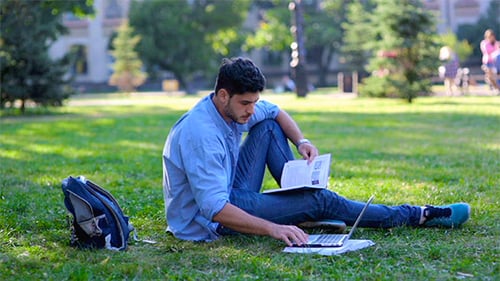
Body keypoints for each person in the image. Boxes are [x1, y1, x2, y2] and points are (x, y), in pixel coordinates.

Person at [162, 57, 470, 246]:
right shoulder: (200, 133)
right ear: (223, 94)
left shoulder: (231, 107)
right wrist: (274, 229)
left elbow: (275, 111)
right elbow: (214, 209)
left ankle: (300, 199)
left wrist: (302, 142)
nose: (251, 110)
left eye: (254, 102)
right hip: (213, 223)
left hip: (230, 193)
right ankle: (419, 215)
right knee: (320, 200)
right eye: (246, 104)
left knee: (268, 127)